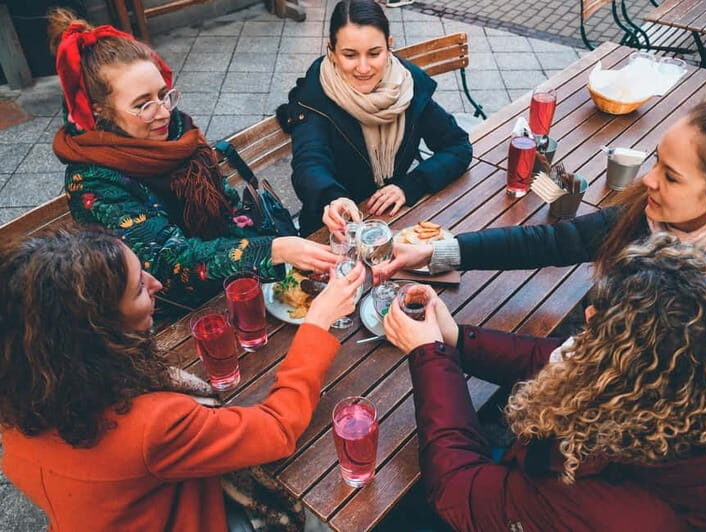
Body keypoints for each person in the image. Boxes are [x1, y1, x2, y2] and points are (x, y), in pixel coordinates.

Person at [383, 234, 706, 530]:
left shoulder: (621, 514)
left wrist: (428, 355)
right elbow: (575, 361)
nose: (587, 316)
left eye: (601, 327)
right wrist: (455, 338)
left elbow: (459, 490)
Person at [0, 229, 365, 530]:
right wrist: (317, 322)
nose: (156, 283)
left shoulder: (24, 390)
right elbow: (278, 429)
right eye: (139, 288)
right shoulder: (152, 425)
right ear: (101, 329)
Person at [367, 95, 706, 338]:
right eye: (655, 162)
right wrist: (436, 251)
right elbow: (556, 240)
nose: (647, 181)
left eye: (670, 176)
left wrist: (448, 344)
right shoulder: (660, 216)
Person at [48, 9, 339, 307]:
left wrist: (277, 253)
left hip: (230, 283)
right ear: (99, 110)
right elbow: (167, 262)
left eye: (163, 94)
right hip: (169, 311)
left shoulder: (178, 134)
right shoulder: (92, 182)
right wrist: (272, 251)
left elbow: (229, 209)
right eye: (143, 104)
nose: (163, 112)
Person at [277, 0, 472, 236]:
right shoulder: (314, 95)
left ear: (389, 46)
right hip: (333, 230)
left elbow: (457, 146)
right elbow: (309, 164)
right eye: (350, 55)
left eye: (374, 53)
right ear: (332, 51)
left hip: (395, 218)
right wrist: (333, 198)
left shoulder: (408, 86)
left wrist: (409, 186)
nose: (363, 68)